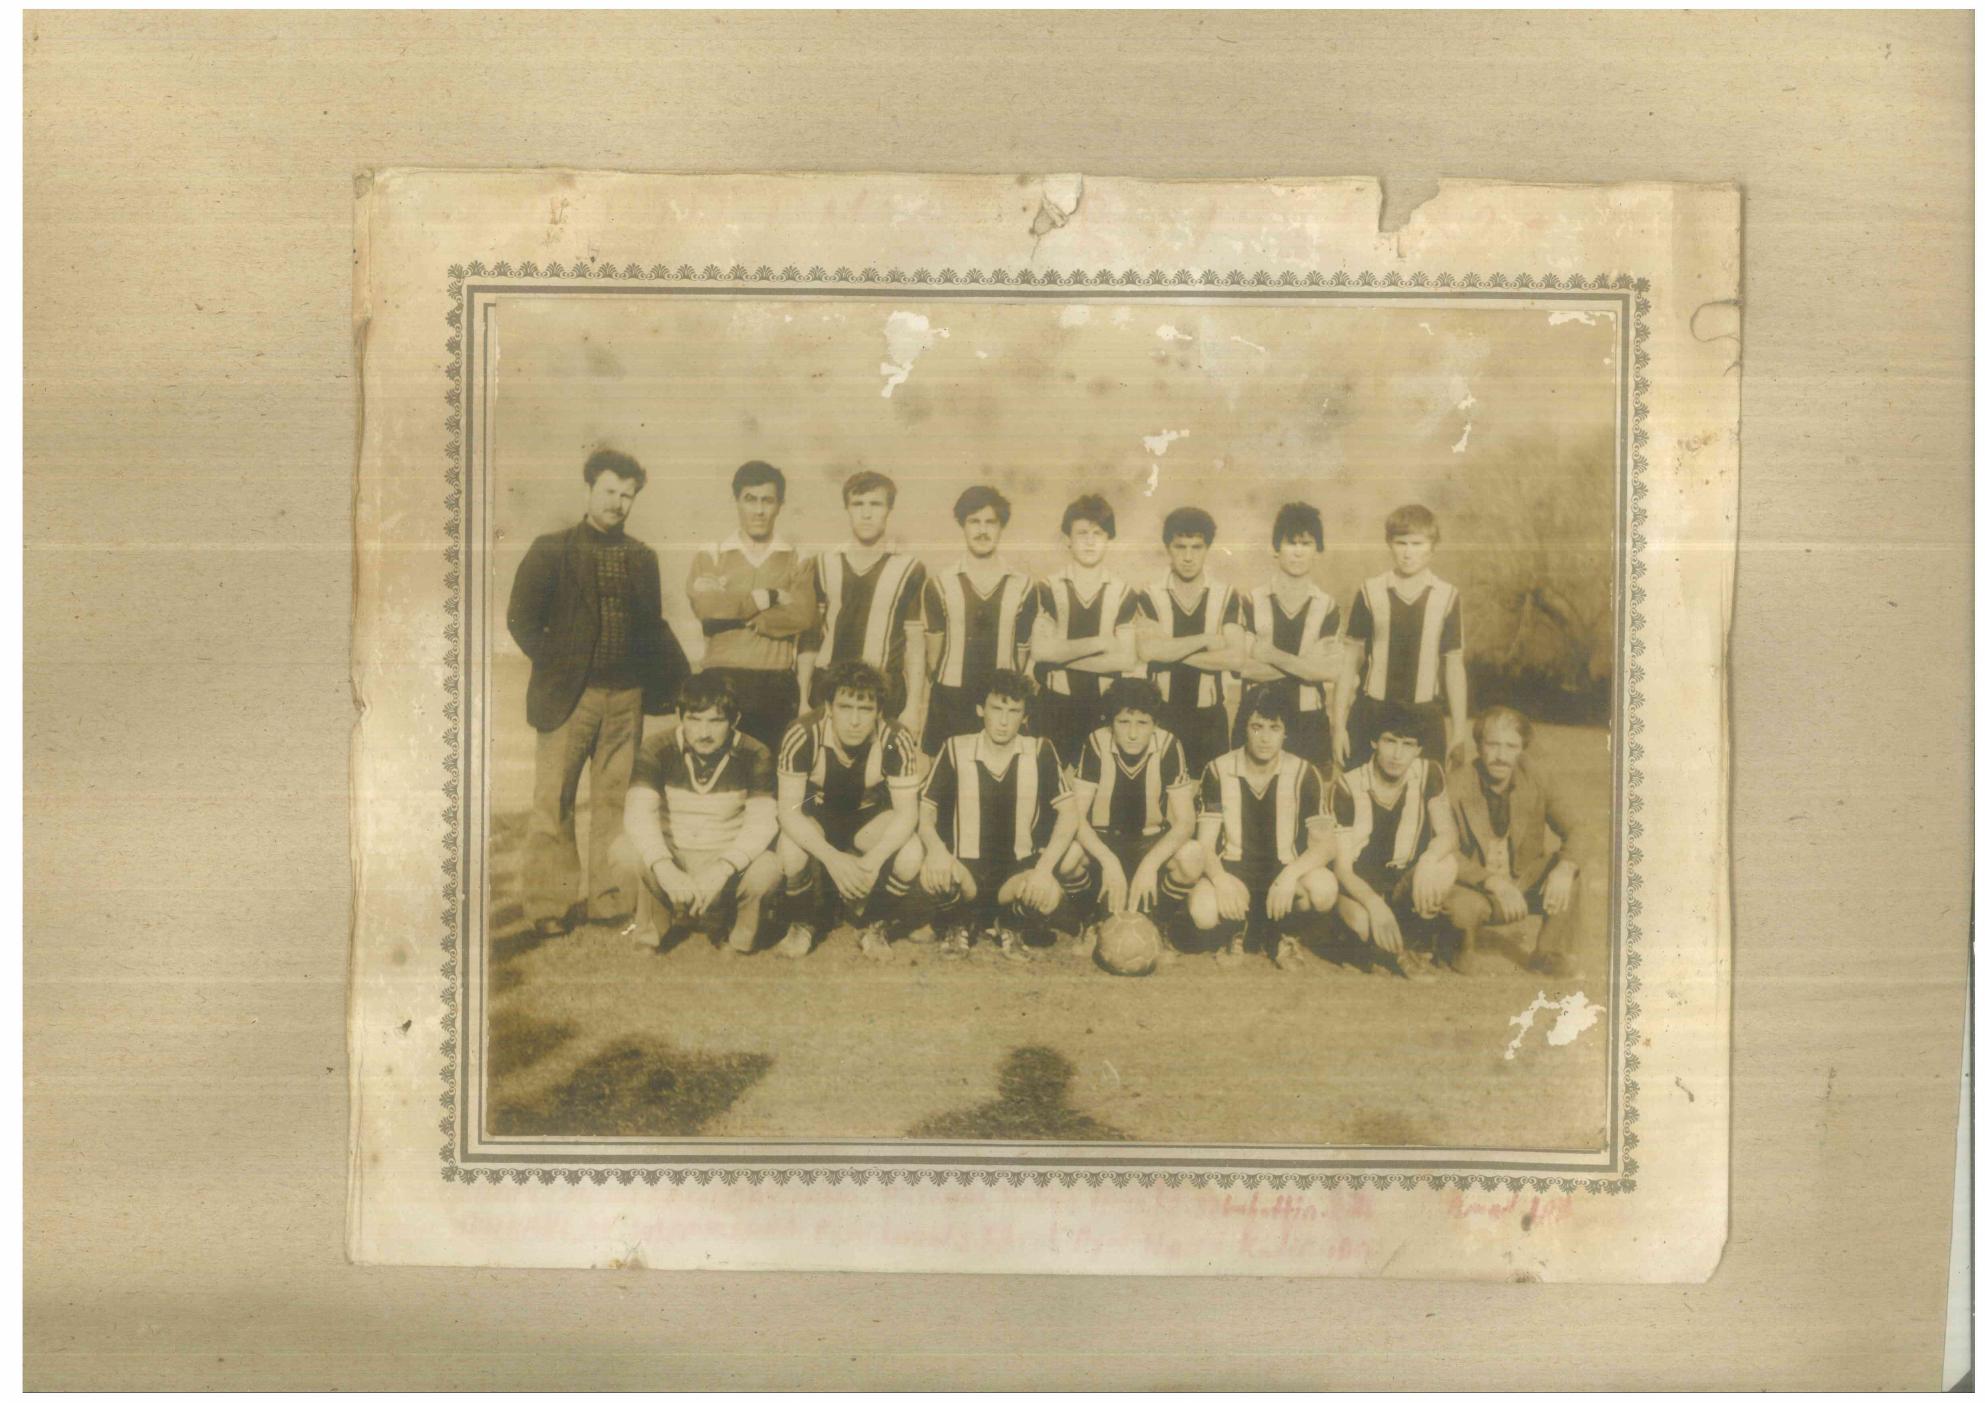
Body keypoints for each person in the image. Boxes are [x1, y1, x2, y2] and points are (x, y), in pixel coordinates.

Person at [505, 447, 690, 936]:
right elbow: (521, 620)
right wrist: (560, 668)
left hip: (626, 699)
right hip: (571, 699)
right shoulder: (552, 549)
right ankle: (548, 906)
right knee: (554, 802)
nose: (616, 503)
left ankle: (610, 903)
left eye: (627, 495)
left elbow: (651, 627)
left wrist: (674, 684)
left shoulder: (643, 558)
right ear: (589, 489)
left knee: (614, 803)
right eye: (609, 491)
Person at [608, 673, 783, 956]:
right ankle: (651, 930)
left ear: (734, 720)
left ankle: (734, 934)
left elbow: (762, 823)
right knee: (623, 851)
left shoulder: (755, 753)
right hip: (674, 854)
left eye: (716, 721)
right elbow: (639, 813)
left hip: (724, 856)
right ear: (680, 716)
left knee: (769, 867)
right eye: (694, 719)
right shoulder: (655, 748)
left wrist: (723, 868)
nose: (704, 732)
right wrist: (665, 867)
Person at [917, 670, 1086, 960]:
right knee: (932, 875)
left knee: (1048, 895)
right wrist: (935, 850)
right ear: (980, 709)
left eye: (1014, 711)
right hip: (966, 872)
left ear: (1025, 716)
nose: (1004, 721)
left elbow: (1069, 814)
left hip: (1015, 873)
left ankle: (1010, 923)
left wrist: (1044, 869)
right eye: (996, 709)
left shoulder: (1040, 750)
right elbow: (925, 810)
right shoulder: (956, 747)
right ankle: (959, 922)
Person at [772, 661, 926, 961]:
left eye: (865, 709)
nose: (854, 721)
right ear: (829, 707)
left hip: (867, 820)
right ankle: (803, 921)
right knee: (790, 849)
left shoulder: (896, 738)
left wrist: (872, 862)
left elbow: (908, 814)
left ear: (879, 712)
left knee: (911, 852)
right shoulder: (802, 733)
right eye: (845, 707)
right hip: (816, 817)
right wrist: (832, 859)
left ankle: (874, 923)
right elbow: (788, 812)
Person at [1188, 685, 1339, 969]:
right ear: (1244, 728)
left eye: (1274, 728)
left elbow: (1326, 846)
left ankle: (1283, 933)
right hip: (1235, 871)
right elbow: (1205, 843)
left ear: (1286, 732)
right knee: (1203, 912)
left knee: (1324, 889)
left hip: (1283, 870)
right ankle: (1235, 930)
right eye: (1256, 727)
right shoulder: (1218, 770)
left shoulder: (1304, 773)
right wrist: (1220, 880)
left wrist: (1290, 876)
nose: (1265, 738)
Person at [1440, 706, 1590, 978]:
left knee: (1571, 871)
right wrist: (1492, 882)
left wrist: (1565, 868)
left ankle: (1549, 954)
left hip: (1522, 881)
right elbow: (1446, 851)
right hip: (1476, 889)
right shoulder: (1456, 784)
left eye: (1511, 746)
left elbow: (1578, 828)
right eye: (1493, 745)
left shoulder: (1537, 778)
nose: (1501, 756)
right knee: (1460, 908)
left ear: (1522, 749)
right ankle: (1458, 947)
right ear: (1479, 746)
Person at [686, 460, 818, 752]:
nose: (759, 510)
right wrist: (766, 598)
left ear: (780, 505)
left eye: (767, 501)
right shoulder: (712, 553)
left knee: (768, 770)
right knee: (719, 767)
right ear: (736, 501)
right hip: (719, 679)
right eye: (750, 499)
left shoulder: (798, 557)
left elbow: (803, 615)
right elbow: (707, 607)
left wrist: (742, 615)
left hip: (775, 683)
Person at [1065, 678, 1203, 950]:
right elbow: (1076, 816)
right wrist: (1108, 861)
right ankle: (1091, 919)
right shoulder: (1096, 742)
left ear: (1155, 724)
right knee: (1068, 856)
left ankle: (1157, 923)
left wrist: (1150, 864)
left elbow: (1186, 822)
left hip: (1149, 841)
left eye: (1142, 723)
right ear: (1111, 722)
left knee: (1193, 855)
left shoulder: (1169, 745)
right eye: (1123, 722)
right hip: (1104, 840)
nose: (1132, 733)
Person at [1330, 698, 1460, 978]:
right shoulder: (1348, 786)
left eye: (1408, 745)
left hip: (1402, 880)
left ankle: (1414, 940)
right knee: (1362, 923)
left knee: (1445, 864)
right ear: (1375, 742)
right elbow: (1342, 869)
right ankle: (1367, 947)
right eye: (1390, 741)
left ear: (1419, 749)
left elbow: (1448, 835)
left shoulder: (1429, 773)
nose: (1398, 754)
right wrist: (1374, 904)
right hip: (1359, 885)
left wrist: (1428, 860)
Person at [1337, 503, 1466, 771]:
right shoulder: (1370, 591)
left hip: (1424, 716)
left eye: (1417, 544)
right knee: (1357, 790)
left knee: (1426, 792)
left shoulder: (1446, 596)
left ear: (1433, 546)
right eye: (1401, 543)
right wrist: (1338, 726)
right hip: (1373, 712)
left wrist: (1459, 731)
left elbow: (1453, 665)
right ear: (1389, 544)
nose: (1408, 553)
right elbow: (1349, 662)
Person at [797, 471, 928, 730]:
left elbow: (915, 644)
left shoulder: (909, 568)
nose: (866, 514)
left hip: (884, 690)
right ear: (847, 508)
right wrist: (802, 699)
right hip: (829, 688)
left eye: (875, 504)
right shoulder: (822, 563)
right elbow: (810, 638)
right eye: (858, 504)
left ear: (889, 509)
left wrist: (913, 707)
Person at [918, 486, 1040, 756]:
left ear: (1001, 527)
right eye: (974, 521)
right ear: (962, 525)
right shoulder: (939, 584)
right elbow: (933, 658)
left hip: (1001, 703)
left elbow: (1022, 653)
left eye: (990, 522)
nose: (982, 530)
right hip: (951, 700)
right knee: (946, 773)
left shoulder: (1024, 586)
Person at [1029, 493, 1147, 765]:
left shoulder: (1124, 593)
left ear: (1108, 539)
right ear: (1067, 540)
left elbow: (1125, 659)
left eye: (1098, 533)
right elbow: (1041, 651)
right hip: (1053, 706)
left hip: (1102, 709)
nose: (1090, 541)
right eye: (1082, 533)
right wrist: (1101, 642)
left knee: (1097, 783)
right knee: (1048, 781)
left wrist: (1060, 657)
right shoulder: (1048, 587)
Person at [1135, 506, 1249, 775]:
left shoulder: (1226, 596)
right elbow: (1148, 651)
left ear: (1207, 548)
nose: (1188, 557)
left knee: (1211, 794)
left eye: (1196, 547)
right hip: (1162, 716)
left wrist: (1169, 650)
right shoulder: (1149, 595)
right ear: (1168, 547)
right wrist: (1207, 639)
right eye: (1180, 547)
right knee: (1161, 792)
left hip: (1210, 720)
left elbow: (1236, 658)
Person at [1234, 502, 1343, 773]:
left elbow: (1329, 671)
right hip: (1258, 719)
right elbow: (1243, 667)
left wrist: (1270, 654)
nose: (1298, 551)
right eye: (1290, 543)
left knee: (1312, 794)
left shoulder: (1327, 607)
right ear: (1275, 548)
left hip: (1309, 724)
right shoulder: (1251, 601)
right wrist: (1306, 667)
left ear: (1317, 550)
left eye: (1306, 543)